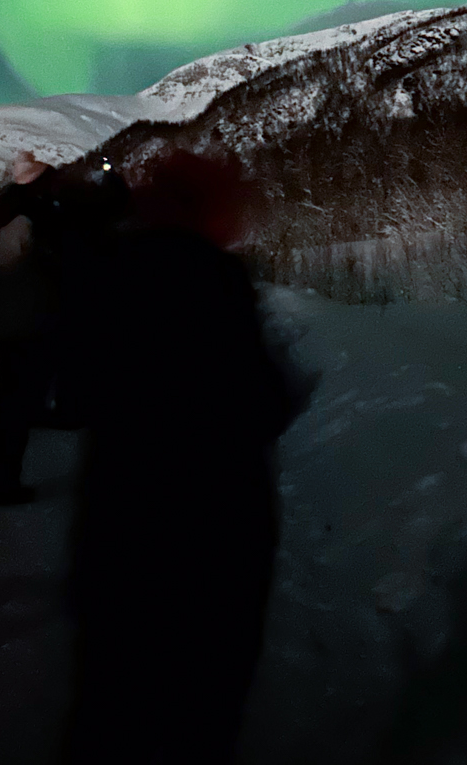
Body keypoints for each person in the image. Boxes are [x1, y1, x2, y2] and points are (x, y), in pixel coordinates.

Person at [59, 149, 309, 764]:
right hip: (208, 532)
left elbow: (81, 388)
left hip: (117, 516)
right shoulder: (213, 279)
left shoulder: (108, 268)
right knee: (194, 706)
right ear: (205, 209)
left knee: (110, 694)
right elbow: (253, 404)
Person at [0, 149, 70, 505]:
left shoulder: (7, 211)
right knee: (15, 402)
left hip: (14, 316)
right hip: (27, 318)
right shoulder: (27, 217)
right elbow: (11, 264)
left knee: (10, 399)